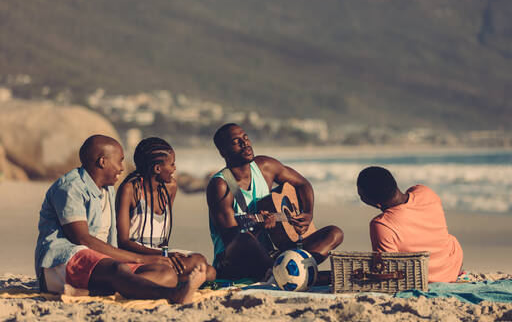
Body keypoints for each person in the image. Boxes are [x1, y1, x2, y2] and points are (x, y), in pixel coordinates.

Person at [34, 134, 205, 304]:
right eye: (120, 160)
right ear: (103, 162)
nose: (122, 168)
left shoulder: (107, 189)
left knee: (165, 274)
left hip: (102, 262)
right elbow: (81, 239)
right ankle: (174, 295)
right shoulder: (71, 187)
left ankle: (86, 292)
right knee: (118, 269)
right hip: (63, 262)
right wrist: (140, 258)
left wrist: (149, 260)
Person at [206, 123, 344, 280]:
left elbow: (302, 184)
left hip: (272, 255)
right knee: (244, 240)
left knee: (334, 233)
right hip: (235, 262)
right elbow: (231, 240)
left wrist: (308, 213)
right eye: (236, 142)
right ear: (223, 151)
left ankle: (284, 272)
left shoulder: (266, 167)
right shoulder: (220, 185)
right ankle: (291, 273)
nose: (245, 144)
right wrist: (258, 227)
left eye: (246, 138)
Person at [115, 137, 216, 282]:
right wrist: (164, 255)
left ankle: (167, 279)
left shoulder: (170, 188)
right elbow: (123, 242)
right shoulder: (130, 190)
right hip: (136, 256)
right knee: (199, 264)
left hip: (160, 253)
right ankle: (166, 279)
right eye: (172, 164)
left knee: (209, 271)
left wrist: (168, 256)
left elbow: (163, 234)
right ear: (157, 168)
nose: (175, 168)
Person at [356, 166, 463, 283]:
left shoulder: (382, 224)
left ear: (377, 204)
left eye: (361, 196)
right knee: (450, 238)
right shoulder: (425, 192)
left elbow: (389, 267)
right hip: (452, 268)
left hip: (423, 277)